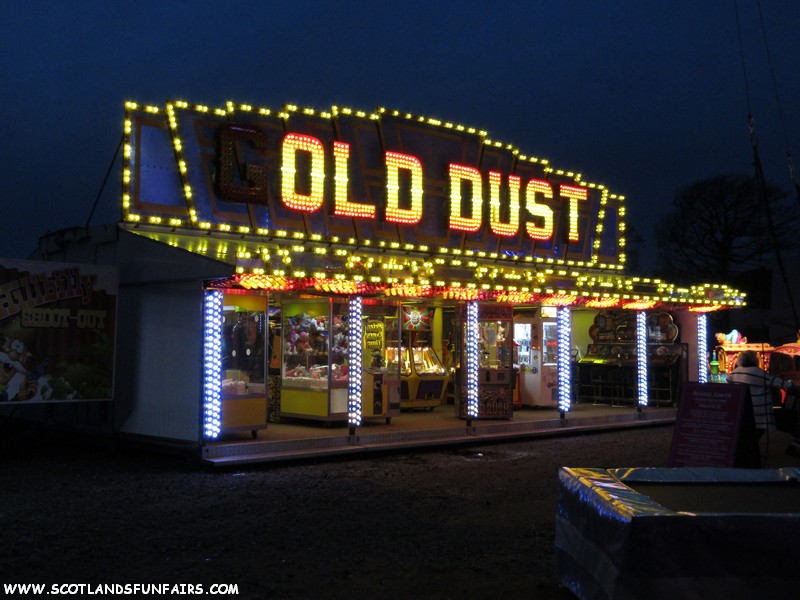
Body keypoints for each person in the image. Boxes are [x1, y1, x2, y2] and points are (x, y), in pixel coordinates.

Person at [727, 350, 794, 441]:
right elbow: (777, 382)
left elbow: (729, 381)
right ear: (755, 360)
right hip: (758, 413)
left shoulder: (735, 372)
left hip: (742, 410)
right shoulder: (758, 372)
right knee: (756, 436)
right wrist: (792, 384)